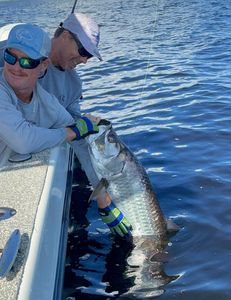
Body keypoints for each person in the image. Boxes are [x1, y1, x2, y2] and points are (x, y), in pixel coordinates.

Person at [0, 22, 132, 238]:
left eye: (27, 61)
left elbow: (80, 143)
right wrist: (71, 131)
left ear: (43, 66)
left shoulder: (48, 101)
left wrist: (103, 199)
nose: (17, 67)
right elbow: (24, 140)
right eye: (10, 58)